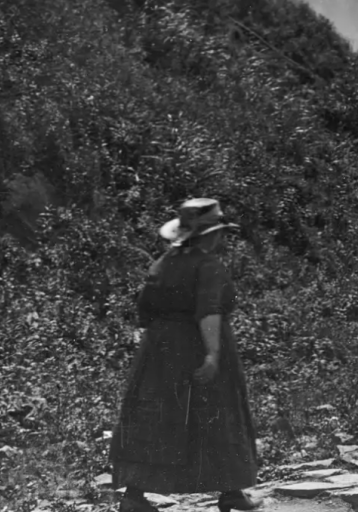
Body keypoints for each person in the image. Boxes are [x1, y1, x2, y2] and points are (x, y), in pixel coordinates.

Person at [110, 199, 260, 512]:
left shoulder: (163, 262)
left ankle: (133, 496)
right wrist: (212, 355)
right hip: (198, 345)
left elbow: (144, 311)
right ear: (212, 235)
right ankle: (231, 490)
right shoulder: (208, 265)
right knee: (219, 413)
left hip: (159, 352)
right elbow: (209, 312)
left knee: (157, 419)